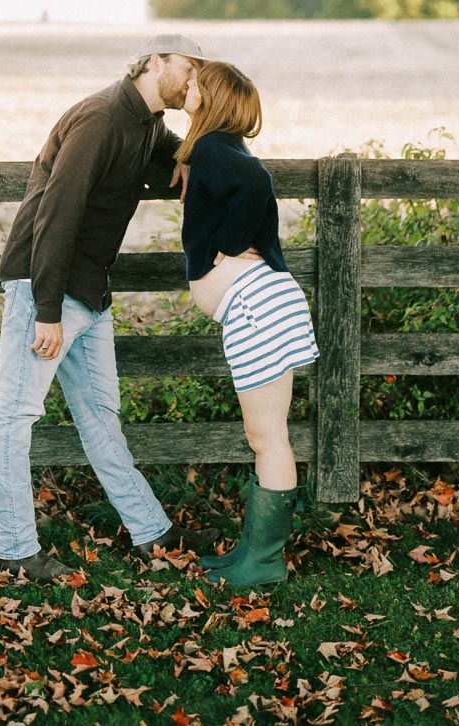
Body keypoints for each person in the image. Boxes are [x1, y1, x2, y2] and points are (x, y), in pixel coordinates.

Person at [0, 33, 219, 582]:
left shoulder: (147, 125)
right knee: (16, 415)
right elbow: (55, 214)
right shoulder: (100, 117)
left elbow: (169, 155)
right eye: (188, 70)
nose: (194, 82)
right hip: (45, 286)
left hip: (89, 291)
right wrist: (46, 309)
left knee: (101, 417)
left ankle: (152, 533)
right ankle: (16, 549)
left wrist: (185, 157)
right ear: (156, 62)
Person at [179, 60, 319, 588]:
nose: (187, 86)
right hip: (265, 301)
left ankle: (262, 563)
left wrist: (227, 247)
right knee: (267, 435)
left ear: (211, 95)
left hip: (257, 305)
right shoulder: (217, 148)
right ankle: (253, 554)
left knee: (267, 437)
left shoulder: (217, 148)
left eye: (195, 82)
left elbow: (256, 184)